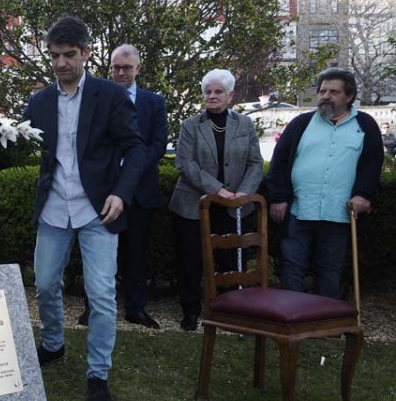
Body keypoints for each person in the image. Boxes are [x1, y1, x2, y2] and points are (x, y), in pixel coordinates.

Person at [28, 16, 147, 401]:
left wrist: (121, 194)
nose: (60, 63)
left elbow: (137, 149)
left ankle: (98, 374)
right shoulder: (39, 101)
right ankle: (53, 343)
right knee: (45, 284)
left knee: (100, 294)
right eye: (54, 56)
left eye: (68, 55)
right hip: (53, 208)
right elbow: (19, 147)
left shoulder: (111, 96)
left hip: (99, 211)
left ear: (85, 53)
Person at [268, 68, 384, 298]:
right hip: (299, 210)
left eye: (333, 91)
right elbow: (278, 163)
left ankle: (325, 323)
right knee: (292, 265)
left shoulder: (366, 125)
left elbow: (372, 165)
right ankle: (293, 320)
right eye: (322, 91)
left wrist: (363, 195)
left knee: (330, 268)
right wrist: (278, 198)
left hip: (338, 212)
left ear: (349, 96)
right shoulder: (301, 123)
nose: (325, 96)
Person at [168, 69, 264, 330]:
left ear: (230, 95)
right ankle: (190, 313)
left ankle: (229, 311)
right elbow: (185, 164)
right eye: (208, 92)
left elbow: (255, 163)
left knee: (230, 261)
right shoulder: (190, 125)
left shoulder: (244, 125)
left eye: (218, 91)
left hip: (235, 206)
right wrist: (218, 190)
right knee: (190, 262)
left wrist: (243, 193)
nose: (212, 96)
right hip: (193, 206)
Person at [85, 43, 167, 329]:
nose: (120, 73)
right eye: (116, 68)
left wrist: (130, 171)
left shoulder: (154, 103)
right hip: (102, 191)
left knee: (136, 254)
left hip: (140, 190)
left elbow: (158, 145)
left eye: (126, 68)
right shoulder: (97, 99)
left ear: (137, 68)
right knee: (98, 254)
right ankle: (92, 308)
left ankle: (135, 308)